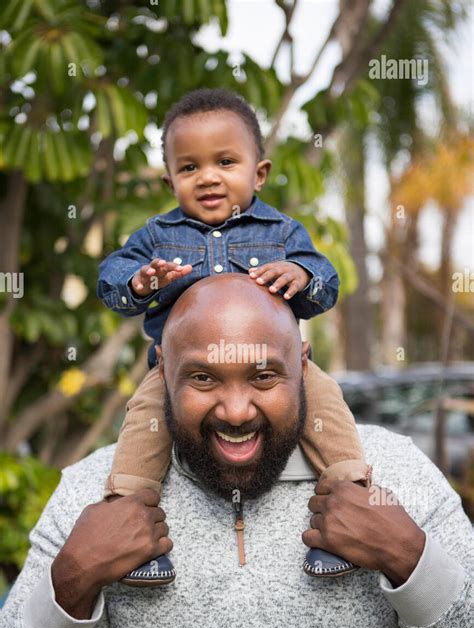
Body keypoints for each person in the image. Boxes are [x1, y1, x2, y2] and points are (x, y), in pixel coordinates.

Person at [0, 275, 472, 628]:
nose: (236, 411)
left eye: (264, 376)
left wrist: (412, 559)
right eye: (203, 378)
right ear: (162, 371)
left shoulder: (395, 473)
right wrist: (72, 582)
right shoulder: (93, 493)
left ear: (303, 366)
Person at [96, 87, 371, 586]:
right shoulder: (157, 238)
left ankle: (351, 512)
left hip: (278, 370)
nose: (208, 177)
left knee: (328, 410)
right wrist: (137, 283)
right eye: (189, 167)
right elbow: (111, 279)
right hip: (179, 375)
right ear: (169, 180)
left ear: (258, 172)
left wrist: (303, 277)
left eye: (225, 161)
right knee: (142, 431)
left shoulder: (283, 233)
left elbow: (325, 283)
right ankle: (131, 530)